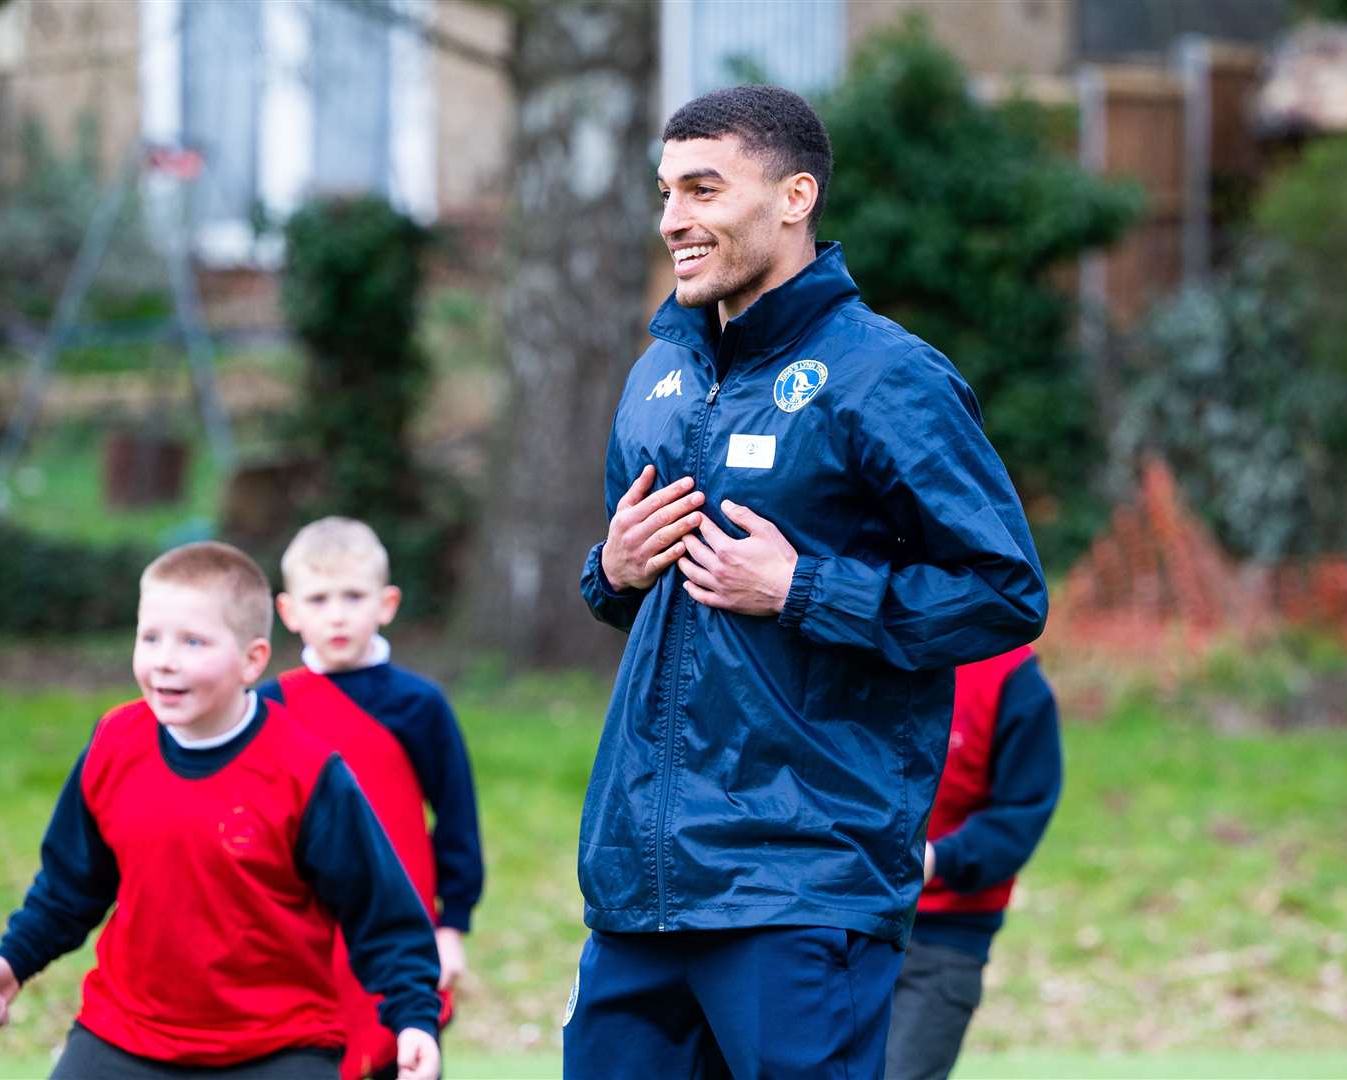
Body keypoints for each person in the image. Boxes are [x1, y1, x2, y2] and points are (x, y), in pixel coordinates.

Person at [565, 85, 1048, 1079]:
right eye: (665, 192)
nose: (673, 220)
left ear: (794, 196)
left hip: (801, 879)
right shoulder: (657, 375)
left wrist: (803, 589)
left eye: (703, 188)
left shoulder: (886, 376)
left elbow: (1004, 591)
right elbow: (639, 592)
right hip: (641, 882)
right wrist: (610, 572)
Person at [0, 541, 442, 1080]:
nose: (165, 659)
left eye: (193, 641)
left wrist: (414, 1021)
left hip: (278, 1048)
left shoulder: (306, 772)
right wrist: (13, 960)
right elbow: (69, 887)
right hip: (125, 1037)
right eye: (150, 638)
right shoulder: (114, 744)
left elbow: (381, 911)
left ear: (252, 660)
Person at [259, 517, 483, 1080]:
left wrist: (449, 929)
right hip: (300, 930)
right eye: (320, 598)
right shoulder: (267, 707)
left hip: (399, 926)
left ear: (386, 604)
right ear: (289, 612)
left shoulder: (420, 705)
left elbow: (457, 819)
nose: (337, 614)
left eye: (354, 596)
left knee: (402, 1056)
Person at [885, 646, 1064, 1080]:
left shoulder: (1014, 678)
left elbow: (1020, 814)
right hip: (838, 920)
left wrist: (938, 858)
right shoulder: (862, 638)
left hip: (943, 936)